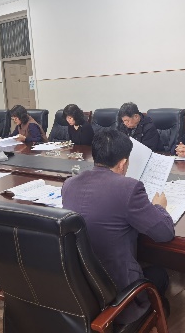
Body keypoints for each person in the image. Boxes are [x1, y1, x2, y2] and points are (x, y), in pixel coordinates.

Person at [62, 129, 174, 325]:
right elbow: (164, 233)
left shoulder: (69, 184)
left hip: (82, 291)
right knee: (160, 275)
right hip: (117, 294)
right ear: (123, 163)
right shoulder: (128, 188)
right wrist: (159, 207)